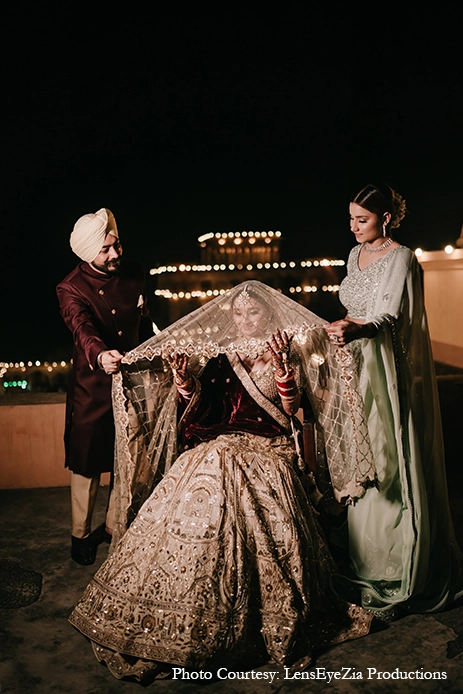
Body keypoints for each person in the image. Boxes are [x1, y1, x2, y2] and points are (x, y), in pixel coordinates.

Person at [69, 281, 376, 681]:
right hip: (214, 446)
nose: (245, 320)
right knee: (200, 483)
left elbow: (292, 409)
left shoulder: (283, 348)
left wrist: (283, 370)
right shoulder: (219, 353)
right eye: (238, 313)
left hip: (268, 448)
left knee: (236, 480)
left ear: (268, 314)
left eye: (253, 313)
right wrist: (183, 381)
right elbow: (200, 406)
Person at [325, 183, 463, 617]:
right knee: (359, 456)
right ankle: (364, 558)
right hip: (354, 364)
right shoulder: (353, 256)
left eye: (361, 220)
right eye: (350, 219)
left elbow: (387, 316)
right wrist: (342, 325)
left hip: (383, 369)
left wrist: (357, 330)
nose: (353, 227)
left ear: (386, 218)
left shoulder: (400, 256)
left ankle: (400, 564)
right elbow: (355, 308)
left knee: (388, 456)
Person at [56, 208, 152, 566]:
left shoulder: (134, 272)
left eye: (116, 246)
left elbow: (143, 321)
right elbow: (81, 326)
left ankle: (113, 526)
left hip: (134, 381)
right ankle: (80, 533)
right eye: (105, 250)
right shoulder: (69, 287)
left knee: (124, 458)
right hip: (93, 384)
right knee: (86, 461)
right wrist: (100, 355)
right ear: (86, 253)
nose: (115, 255)